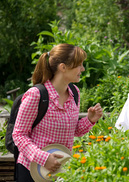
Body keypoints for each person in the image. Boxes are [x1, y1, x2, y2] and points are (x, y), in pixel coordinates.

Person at [12, 43, 103, 182]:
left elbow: (74, 131)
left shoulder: (74, 93)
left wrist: (90, 120)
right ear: (63, 67)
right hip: (31, 171)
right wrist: (43, 158)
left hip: (60, 172)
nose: (83, 69)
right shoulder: (36, 95)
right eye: (79, 65)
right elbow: (19, 134)